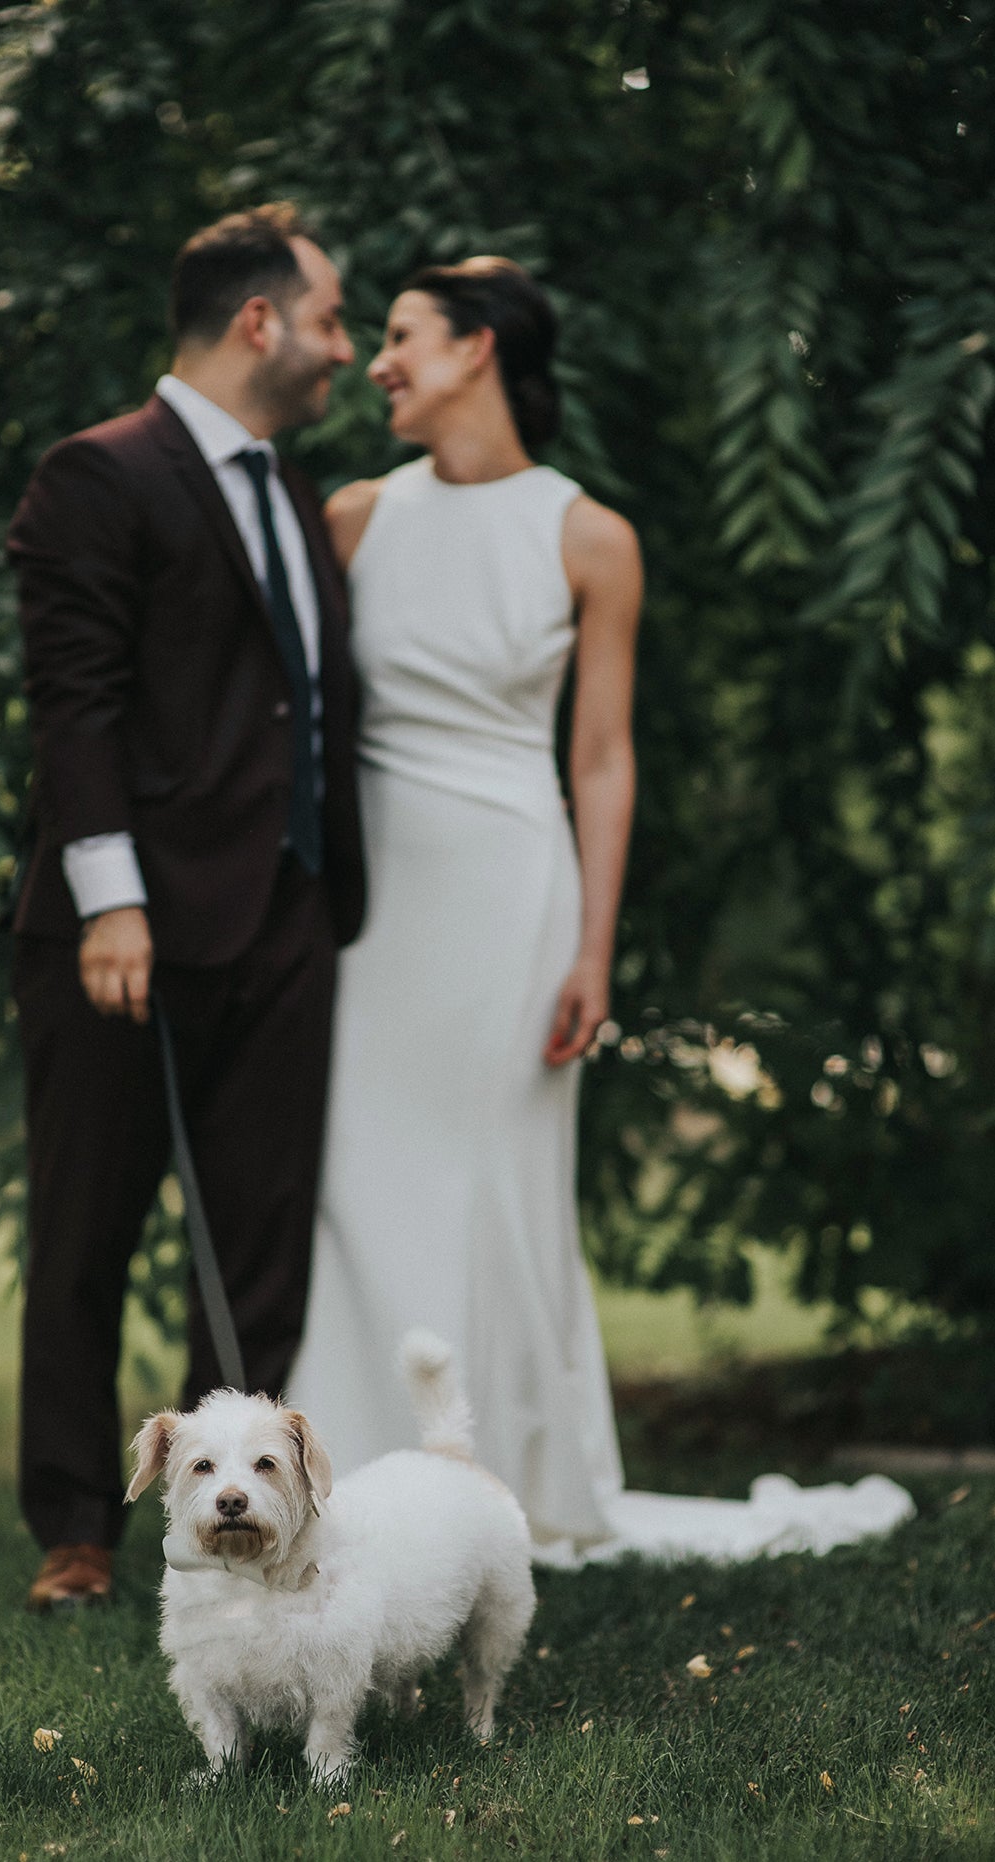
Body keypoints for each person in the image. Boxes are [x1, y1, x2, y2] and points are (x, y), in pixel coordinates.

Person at [288, 258, 914, 1566]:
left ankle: (509, 1484)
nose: (376, 362)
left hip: (515, 889)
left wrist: (592, 946)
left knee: (496, 1187)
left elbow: (602, 759)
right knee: (356, 1172)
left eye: (400, 338)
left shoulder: (590, 536)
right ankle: (352, 1472)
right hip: (374, 901)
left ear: (479, 349)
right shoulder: (352, 516)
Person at [6, 204, 365, 1611]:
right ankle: (76, 1529)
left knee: (259, 1243)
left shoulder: (291, 489)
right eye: (333, 317)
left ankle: (236, 1516)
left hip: (283, 917)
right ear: (259, 320)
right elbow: (74, 699)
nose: (344, 347)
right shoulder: (96, 474)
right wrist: (111, 901)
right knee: (86, 1232)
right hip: (126, 934)